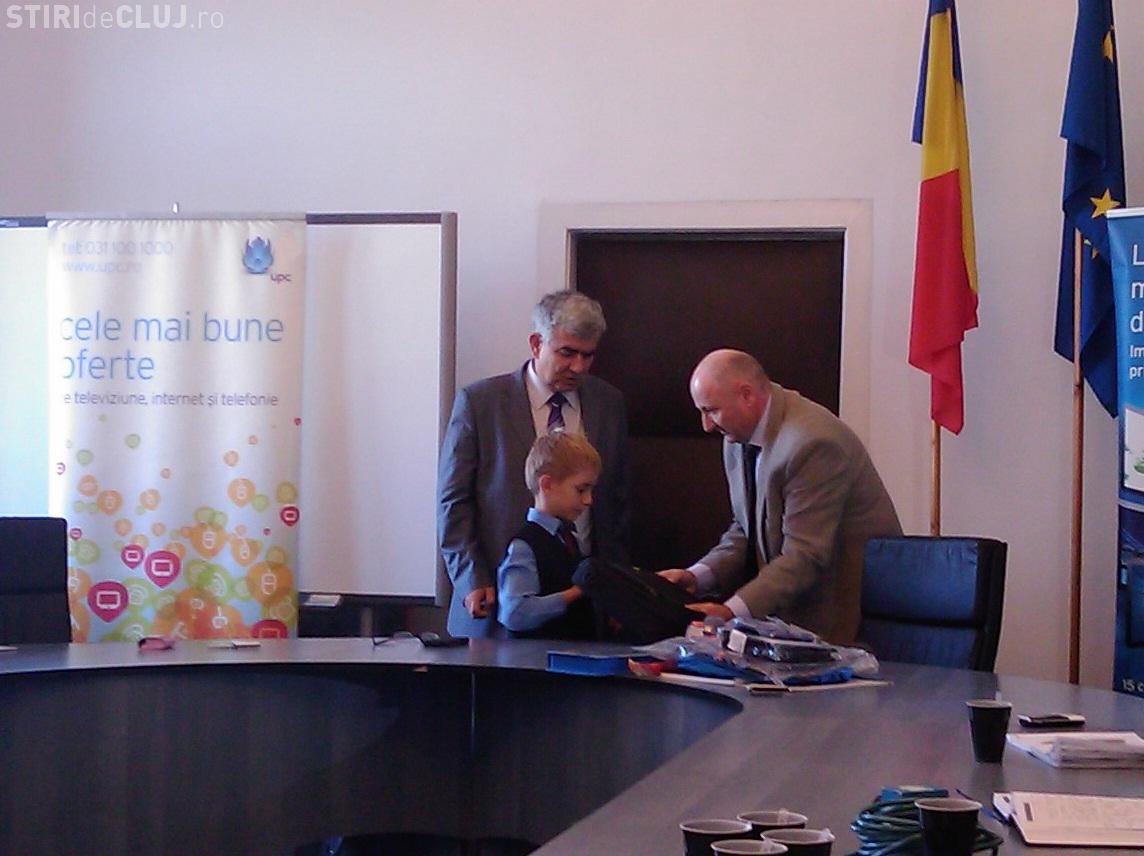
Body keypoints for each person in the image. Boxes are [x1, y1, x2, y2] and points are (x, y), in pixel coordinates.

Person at [661, 349, 901, 645]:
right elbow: (746, 529)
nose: (706, 425)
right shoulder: (736, 436)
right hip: (792, 620)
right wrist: (697, 577)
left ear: (746, 395)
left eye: (711, 410)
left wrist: (729, 611)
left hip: (847, 623)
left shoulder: (813, 442)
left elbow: (805, 556)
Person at [438, 290, 630, 638]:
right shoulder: (480, 403)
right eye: (567, 353)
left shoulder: (608, 403)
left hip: (584, 612)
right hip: (497, 605)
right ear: (536, 344)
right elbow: (453, 502)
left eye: (588, 355)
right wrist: (470, 578)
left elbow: (615, 506)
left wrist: (616, 590)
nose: (579, 367)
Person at [497, 432, 600, 639]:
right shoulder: (524, 545)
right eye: (581, 490)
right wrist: (577, 591)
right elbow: (515, 613)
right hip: (537, 655)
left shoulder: (569, 538)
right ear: (547, 485)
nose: (589, 500)